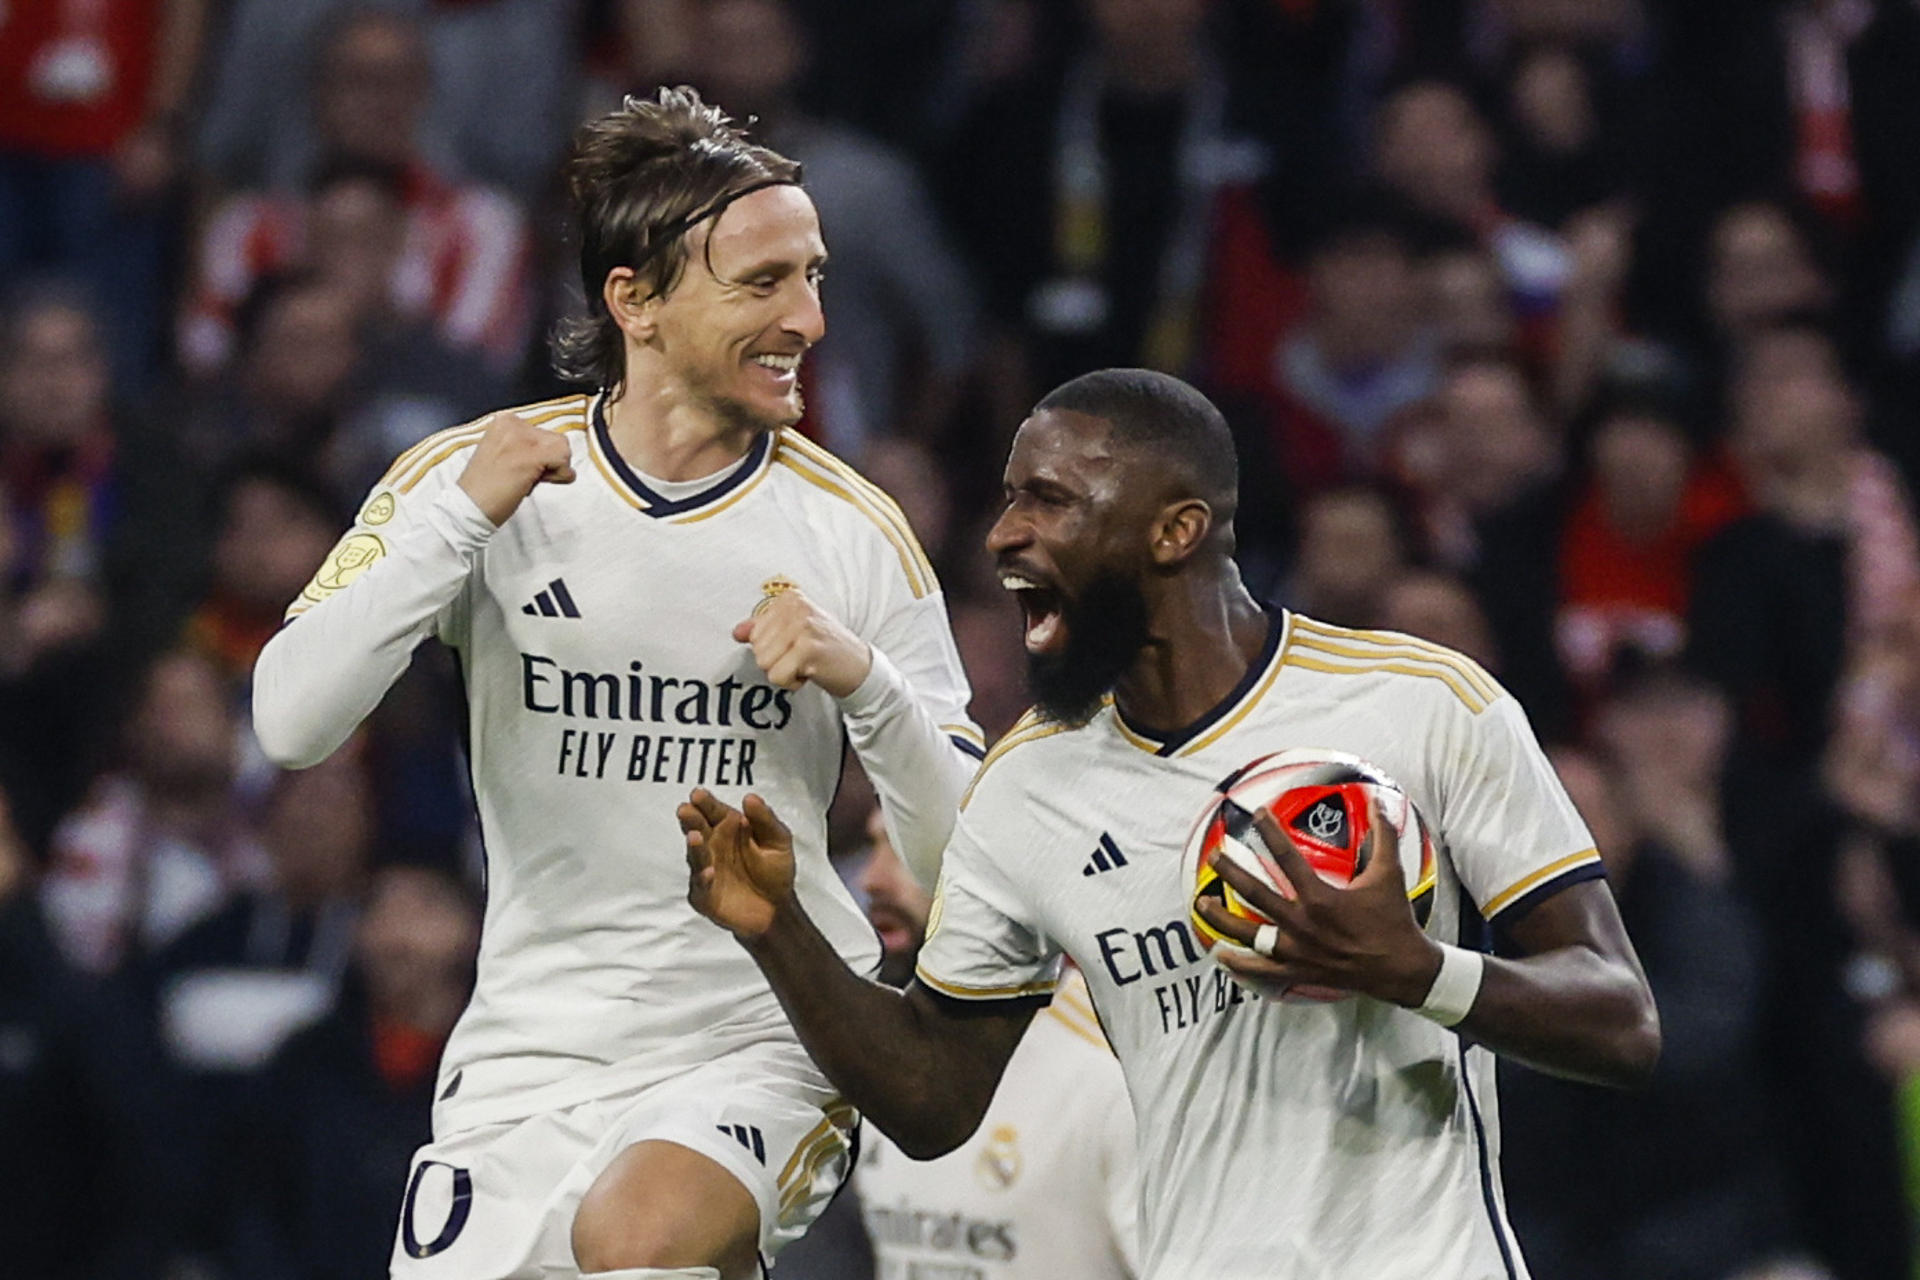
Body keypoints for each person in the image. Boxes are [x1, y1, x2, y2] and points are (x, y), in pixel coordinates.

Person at [680, 368, 1660, 1279]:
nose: (1001, 535)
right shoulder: (1027, 781)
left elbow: (1621, 1017)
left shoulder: (1423, 702)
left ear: (1175, 530)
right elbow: (934, 1098)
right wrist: (781, 929)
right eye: (1010, 495)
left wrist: (1416, 969)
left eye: (1049, 499)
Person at [251, 88, 982, 1280]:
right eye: (763, 283)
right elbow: (288, 720)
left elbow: (967, 863)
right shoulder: (472, 479)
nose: (808, 317)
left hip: (764, 1033)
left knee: (635, 1243)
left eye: (815, 275)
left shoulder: (853, 530)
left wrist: (869, 685)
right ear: (633, 300)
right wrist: (460, 523)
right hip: (528, 1051)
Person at [850, 804, 1139, 1280]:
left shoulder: (1112, 1071)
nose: (871, 879)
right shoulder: (879, 1058)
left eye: (903, 849)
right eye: (873, 846)